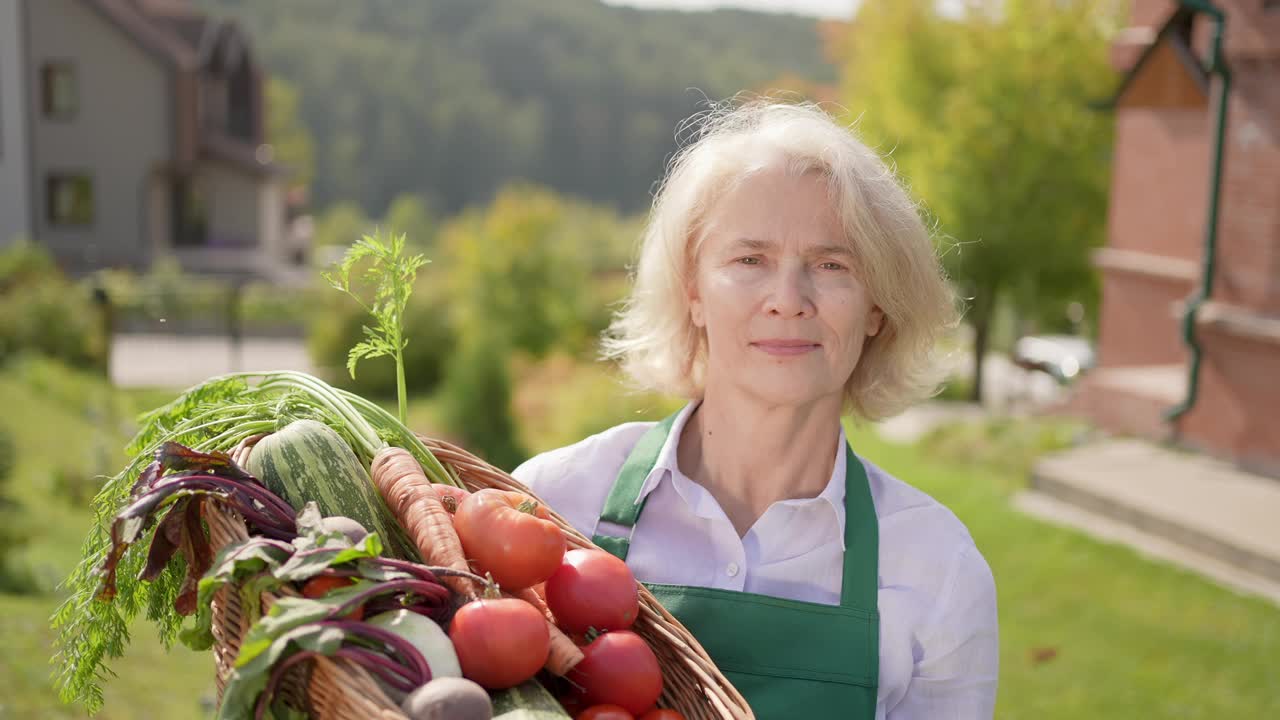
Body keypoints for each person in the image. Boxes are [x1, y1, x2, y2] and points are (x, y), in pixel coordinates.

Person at [512, 99, 998, 719]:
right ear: (693, 292)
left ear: (877, 306)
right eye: (750, 260)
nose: (788, 299)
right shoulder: (548, 504)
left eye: (831, 264)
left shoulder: (938, 568)